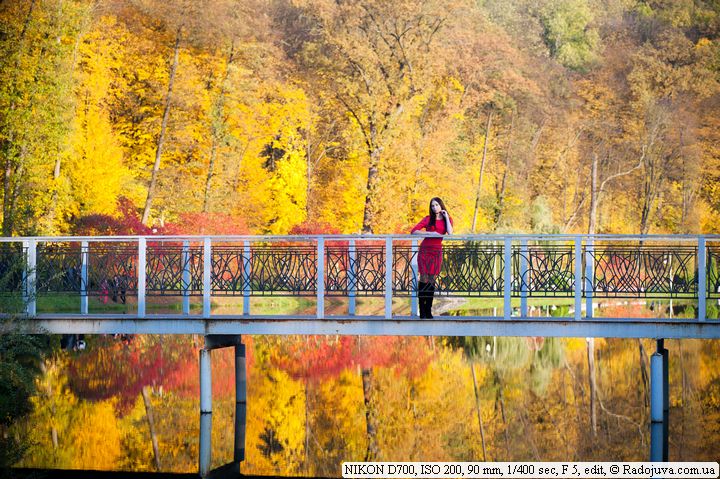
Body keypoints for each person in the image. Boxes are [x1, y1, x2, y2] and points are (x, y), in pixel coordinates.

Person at [411, 197, 453, 318]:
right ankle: (422, 309)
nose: (434, 207)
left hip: (436, 252)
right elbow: (414, 231)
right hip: (425, 250)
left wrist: (446, 217)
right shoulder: (428, 219)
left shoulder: (448, 219)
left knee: (432, 281)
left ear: (441, 205)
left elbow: (450, 232)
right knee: (424, 279)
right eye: (432, 206)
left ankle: (428, 310)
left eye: (436, 205)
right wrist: (430, 233)